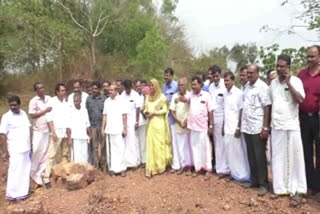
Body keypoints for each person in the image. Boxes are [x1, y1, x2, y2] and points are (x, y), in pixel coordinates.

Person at [270, 54, 307, 200]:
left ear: (288, 67)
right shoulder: (273, 83)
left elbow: (300, 100)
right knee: (278, 157)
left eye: (282, 66)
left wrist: (289, 83)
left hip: (291, 125)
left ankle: (297, 188)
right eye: (277, 66)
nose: (279, 69)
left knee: (295, 157)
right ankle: (279, 189)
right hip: (277, 125)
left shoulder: (296, 81)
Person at [241, 64, 271, 196]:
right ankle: (254, 181)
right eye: (247, 73)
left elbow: (267, 107)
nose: (248, 75)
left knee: (259, 157)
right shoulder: (246, 87)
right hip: (247, 126)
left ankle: (264, 184)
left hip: (258, 127)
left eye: (251, 73)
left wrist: (265, 127)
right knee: (251, 155)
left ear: (258, 73)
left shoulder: (263, 87)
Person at [297, 45, 320, 191]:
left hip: (318, 119)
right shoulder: (301, 75)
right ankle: (309, 184)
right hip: (303, 118)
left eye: (312, 56)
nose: (309, 59)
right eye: (308, 56)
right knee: (306, 152)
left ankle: (318, 185)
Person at [0, 96, 31, 201]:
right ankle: (12, 195)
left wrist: (30, 145)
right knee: (14, 171)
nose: (13, 107)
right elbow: (3, 135)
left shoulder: (23, 114)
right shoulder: (6, 117)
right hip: (14, 148)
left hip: (25, 148)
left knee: (25, 170)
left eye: (15, 105)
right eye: (11, 105)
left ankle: (23, 193)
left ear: (19, 105)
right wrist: (5, 151)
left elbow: (27, 129)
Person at [223, 72, 250, 182]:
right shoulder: (225, 93)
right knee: (230, 152)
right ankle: (234, 173)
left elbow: (241, 111)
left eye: (228, 80)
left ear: (233, 81)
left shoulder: (238, 93)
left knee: (239, 152)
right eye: (224, 81)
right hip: (227, 127)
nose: (226, 83)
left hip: (235, 128)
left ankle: (243, 175)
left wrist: (238, 127)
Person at [43, 83, 71, 188]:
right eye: (62, 90)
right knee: (52, 154)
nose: (64, 92)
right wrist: (53, 132)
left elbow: (68, 119)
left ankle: (63, 175)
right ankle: (46, 177)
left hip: (64, 132)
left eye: (65, 90)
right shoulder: (52, 102)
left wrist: (68, 135)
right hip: (56, 132)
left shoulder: (66, 103)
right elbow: (49, 118)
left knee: (65, 154)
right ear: (57, 92)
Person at [145, 79, 172, 177]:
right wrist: (146, 113)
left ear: (156, 86)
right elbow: (146, 108)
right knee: (151, 145)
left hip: (159, 123)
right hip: (151, 123)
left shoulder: (162, 97)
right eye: (149, 85)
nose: (151, 87)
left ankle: (161, 166)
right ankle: (152, 167)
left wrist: (154, 113)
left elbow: (165, 110)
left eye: (152, 85)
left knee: (159, 145)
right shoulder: (147, 97)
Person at [188, 76, 214, 177]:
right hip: (193, 126)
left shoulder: (206, 95)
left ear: (200, 85)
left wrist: (211, 125)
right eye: (192, 84)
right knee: (195, 148)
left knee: (205, 148)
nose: (193, 86)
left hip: (203, 126)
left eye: (195, 84)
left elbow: (211, 111)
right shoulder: (191, 95)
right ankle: (198, 168)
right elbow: (185, 100)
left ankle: (208, 169)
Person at [28, 82, 52, 187]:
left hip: (48, 129)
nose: (41, 89)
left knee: (46, 152)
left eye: (43, 87)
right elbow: (32, 115)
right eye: (39, 88)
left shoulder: (49, 99)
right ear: (36, 90)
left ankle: (40, 172)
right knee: (37, 150)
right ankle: (32, 172)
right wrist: (45, 111)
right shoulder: (33, 101)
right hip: (38, 130)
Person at [102, 84, 128, 176]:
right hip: (109, 130)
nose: (110, 91)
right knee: (111, 151)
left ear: (116, 91)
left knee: (120, 149)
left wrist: (125, 128)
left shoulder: (121, 100)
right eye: (109, 90)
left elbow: (124, 115)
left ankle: (122, 169)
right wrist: (103, 128)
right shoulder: (106, 102)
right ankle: (112, 169)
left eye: (112, 90)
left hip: (119, 129)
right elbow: (104, 115)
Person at [208, 65, 229, 177]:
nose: (215, 78)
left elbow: (226, 105)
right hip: (213, 117)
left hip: (222, 117)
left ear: (219, 75)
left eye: (217, 76)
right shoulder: (211, 86)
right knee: (216, 144)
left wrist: (225, 122)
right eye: (213, 76)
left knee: (222, 143)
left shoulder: (224, 86)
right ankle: (218, 167)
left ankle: (224, 169)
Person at [169, 78, 193, 174]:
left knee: (189, 147)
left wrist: (186, 121)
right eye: (179, 85)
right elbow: (172, 111)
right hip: (178, 125)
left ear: (186, 85)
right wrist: (179, 122)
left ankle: (190, 166)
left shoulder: (190, 95)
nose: (180, 87)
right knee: (180, 147)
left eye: (182, 85)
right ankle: (183, 166)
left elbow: (192, 110)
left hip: (188, 125)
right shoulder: (175, 96)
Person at [86, 81, 107, 171]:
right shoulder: (88, 99)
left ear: (99, 89)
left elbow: (106, 114)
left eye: (96, 89)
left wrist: (104, 126)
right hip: (93, 126)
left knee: (103, 146)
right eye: (93, 88)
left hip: (103, 126)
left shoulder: (104, 99)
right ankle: (95, 166)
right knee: (94, 147)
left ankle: (104, 165)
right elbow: (86, 113)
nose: (94, 90)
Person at [121, 79, 141, 168]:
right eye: (126, 88)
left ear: (131, 87)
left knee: (133, 141)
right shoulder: (122, 95)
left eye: (129, 88)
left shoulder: (135, 95)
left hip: (133, 120)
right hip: (125, 121)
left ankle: (135, 162)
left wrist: (137, 121)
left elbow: (138, 109)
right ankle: (127, 162)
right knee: (126, 141)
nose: (128, 90)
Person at [162, 68, 179, 172]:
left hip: (174, 117)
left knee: (175, 141)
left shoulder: (177, 86)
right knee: (168, 141)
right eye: (165, 75)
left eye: (167, 75)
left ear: (172, 76)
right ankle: (170, 161)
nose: (165, 77)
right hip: (165, 117)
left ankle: (176, 164)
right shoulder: (164, 86)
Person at [68, 92, 91, 163]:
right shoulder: (70, 111)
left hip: (84, 136)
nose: (75, 103)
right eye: (74, 101)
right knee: (76, 158)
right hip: (75, 137)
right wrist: (69, 139)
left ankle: (84, 172)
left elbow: (87, 124)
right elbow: (68, 127)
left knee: (84, 156)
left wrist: (90, 135)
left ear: (81, 101)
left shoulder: (84, 110)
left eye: (77, 101)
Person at [135, 80, 148, 166]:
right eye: (137, 86)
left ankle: (144, 160)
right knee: (137, 141)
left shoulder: (146, 97)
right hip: (136, 123)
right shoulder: (135, 96)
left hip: (144, 122)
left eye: (140, 86)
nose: (139, 87)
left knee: (144, 141)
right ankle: (138, 159)